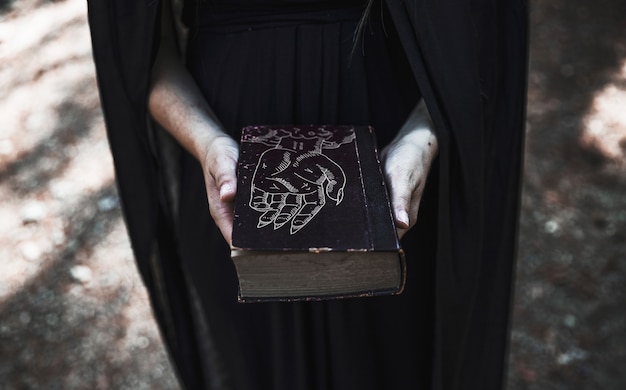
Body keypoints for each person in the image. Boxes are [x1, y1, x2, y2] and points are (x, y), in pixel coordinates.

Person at [87, 0, 528, 389]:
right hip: (230, 164)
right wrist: (207, 143)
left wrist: (422, 135)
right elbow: (137, 50)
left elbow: (483, 24)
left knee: (391, 364)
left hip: (389, 161)